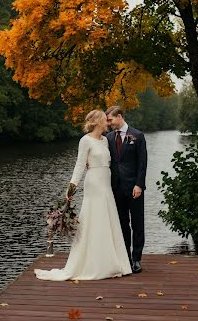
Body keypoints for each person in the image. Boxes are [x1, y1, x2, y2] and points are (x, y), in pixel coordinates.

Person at [34, 109, 132, 281]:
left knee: (107, 221)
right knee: (93, 220)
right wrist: (71, 188)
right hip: (94, 183)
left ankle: (112, 262)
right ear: (97, 122)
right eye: (104, 119)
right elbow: (80, 165)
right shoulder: (85, 141)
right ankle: (94, 264)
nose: (107, 122)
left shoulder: (105, 141)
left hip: (106, 184)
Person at [105, 106, 147, 274]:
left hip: (134, 188)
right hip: (115, 188)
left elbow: (142, 164)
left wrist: (139, 185)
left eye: (110, 120)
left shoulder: (138, 136)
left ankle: (136, 259)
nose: (108, 123)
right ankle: (126, 259)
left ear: (119, 116)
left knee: (137, 224)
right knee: (122, 224)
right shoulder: (108, 138)